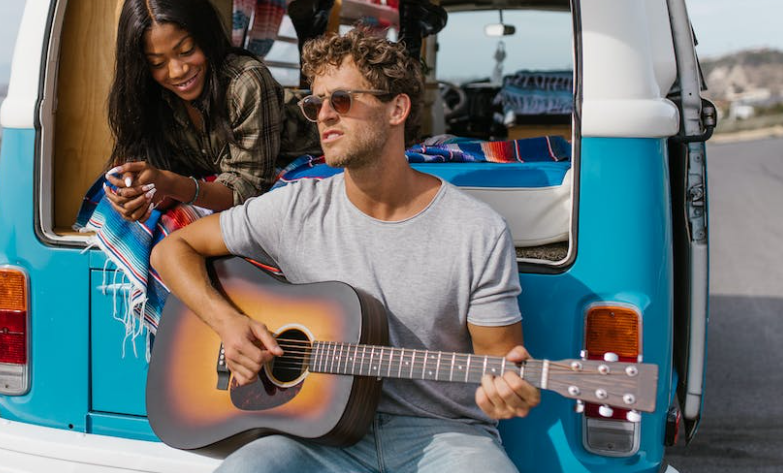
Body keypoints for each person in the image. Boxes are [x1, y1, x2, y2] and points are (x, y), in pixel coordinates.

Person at [151, 30, 540, 472]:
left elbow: (499, 362)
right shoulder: (295, 207)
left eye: (341, 100)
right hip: (313, 432)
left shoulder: (477, 231)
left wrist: (506, 391)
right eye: (315, 104)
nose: (324, 117)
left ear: (397, 108)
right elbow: (173, 250)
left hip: (442, 435)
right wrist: (229, 324)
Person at [103, 0, 317, 222]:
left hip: (301, 152)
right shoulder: (151, 96)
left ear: (205, 35)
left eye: (186, 51)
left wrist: (170, 183)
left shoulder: (246, 82)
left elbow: (247, 189)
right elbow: (160, 170)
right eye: (157, 63)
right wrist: (138, 192)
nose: (177, 71)